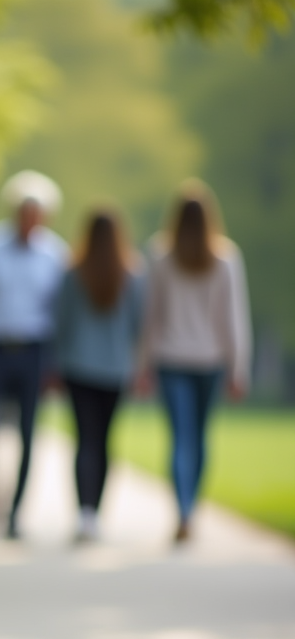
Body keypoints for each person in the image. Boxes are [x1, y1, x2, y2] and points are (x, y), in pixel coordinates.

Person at [0, 170, 69, 539]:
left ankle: (17, 510)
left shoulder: (55, 254)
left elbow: (58, 311)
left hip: (35, 350)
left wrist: (56, 361)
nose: (30, 220)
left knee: (28, 432)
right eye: (24, 211)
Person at [137, 181, 252, 544]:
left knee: (180, 438)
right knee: (199, 437)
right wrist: (238, 368)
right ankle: (190, 508)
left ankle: (183, 509)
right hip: (209, 360)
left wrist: (141, 365)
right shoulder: (225, 257)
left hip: (171, 358)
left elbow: (150, 318)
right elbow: (233, 319)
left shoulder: (160, 255)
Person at [53, 208, 145, 542]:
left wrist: (55, 362)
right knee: (105, 441)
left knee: (84, 440)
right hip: (116, 368)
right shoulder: (132, 273)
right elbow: (138, 324)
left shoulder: (73, 272)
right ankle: (97, 512)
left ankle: (85, 513)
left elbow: (61, 322)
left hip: (78, 367)